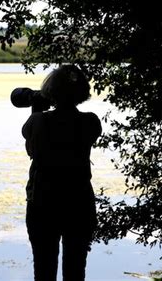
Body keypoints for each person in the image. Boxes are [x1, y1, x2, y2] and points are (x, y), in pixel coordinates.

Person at [22, 65, 102, 281]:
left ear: (51, 91)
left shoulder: (39, 121)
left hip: (43, 202)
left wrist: (37, 108)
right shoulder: (90, 121)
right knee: (76, 270)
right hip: (79, 202)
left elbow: (32, 150)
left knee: (44, 268)